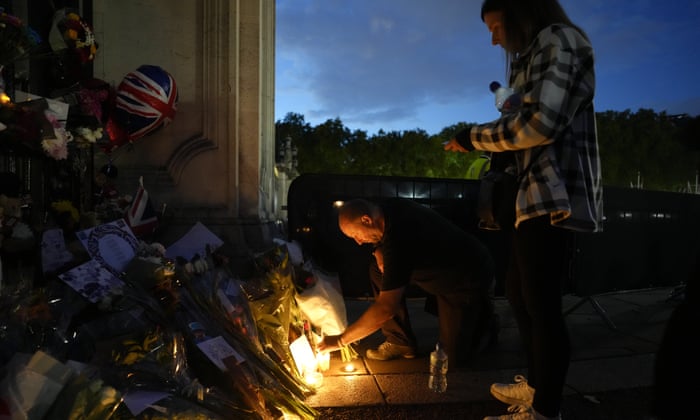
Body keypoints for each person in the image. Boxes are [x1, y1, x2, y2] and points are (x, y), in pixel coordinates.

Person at [443, 1, 603, 419]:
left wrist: (472, 137)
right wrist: (506, 108)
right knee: (520, 295)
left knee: (542, 304)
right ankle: (536, 389)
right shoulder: (531, 54)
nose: (494, 38)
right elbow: (520, 117)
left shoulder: (559, 39)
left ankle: (546, 410)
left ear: (519, 13)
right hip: (530, 194)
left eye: (496, 26)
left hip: (552, 193)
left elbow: (539, 124)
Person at [317, 197, 498, 367]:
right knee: (377, 269)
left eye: (356, 234)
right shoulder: (387, 210)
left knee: (452, 358)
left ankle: (484, 320)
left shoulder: (399, 242)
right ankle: (399, 341)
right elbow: (383, 239)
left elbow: (385, 308)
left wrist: (341, 340)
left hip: (466, 277)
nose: (358, 242)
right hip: (433, 265)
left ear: (366, 220)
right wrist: (378, 249)